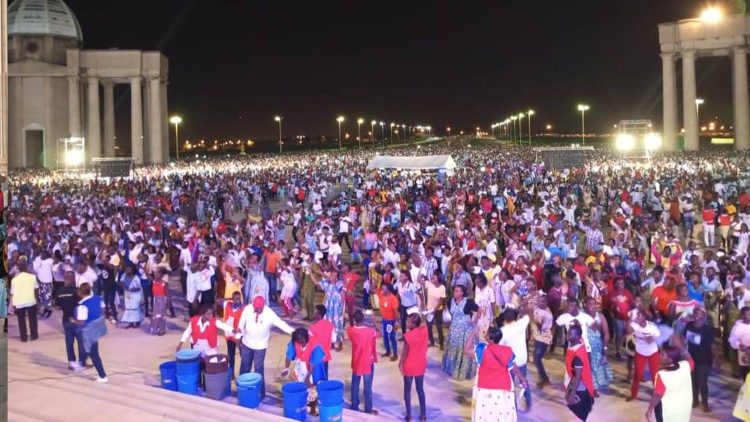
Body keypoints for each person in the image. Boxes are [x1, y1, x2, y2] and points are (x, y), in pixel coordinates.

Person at [235, 295, 294, 399]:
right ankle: (242, 390)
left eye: (260, 309)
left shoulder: (269, 313)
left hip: (260, 346)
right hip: (246, 343)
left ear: (263, 306)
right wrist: (238, 338)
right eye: (256, 308)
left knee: (258, 370)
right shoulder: (247, 309)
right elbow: (240, 325)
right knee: (244, 366)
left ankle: (260, 393)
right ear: (253, 305)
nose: (258, 311)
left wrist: (294, 332)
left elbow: (281, 324)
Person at [470, 326, 529, 422]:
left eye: (487, 335)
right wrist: (523, 380)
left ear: (490, 339)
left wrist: (472, 333)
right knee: (501, 414)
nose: (485, 336)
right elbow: (514, 368)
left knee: (485, 414)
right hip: (503, 387)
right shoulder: (507, 351)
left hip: (485, 386)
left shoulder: (482, 349)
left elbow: (466, 350)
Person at [283, 328, 327, 417]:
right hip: (300, 366)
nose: (301, 344)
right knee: (299, 387)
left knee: (313, 389)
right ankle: (302, 405)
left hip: (314, 369)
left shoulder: (315, 345)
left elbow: (313, 365)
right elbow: (289, 355)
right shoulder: (294, 340)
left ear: (306, 338)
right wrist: (286, 368)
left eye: (303, 342)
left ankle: (313, 409)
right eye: (299, 342)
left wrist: (307, 379)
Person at [645, 345, 694, 422]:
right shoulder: (685, 366)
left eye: (663, 355)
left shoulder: (662, 375)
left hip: (668, 411)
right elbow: (690, 358)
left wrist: (650, 409)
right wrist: (682, 348)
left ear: (670, 359)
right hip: (684, 408)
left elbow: (657, 396)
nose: (659, 356)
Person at [499, 306, 532, 410]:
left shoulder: (502, 331)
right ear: (515, 317)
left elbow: (500, 347)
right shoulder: (521, 324)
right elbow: (528, 314)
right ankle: (528, 399)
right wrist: (523, 310)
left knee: (511, 385)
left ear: (504, 318)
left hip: (511, 363)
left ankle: (513, 406)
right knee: (523, 380)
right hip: (522, 359)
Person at [442, 285, 478, 380]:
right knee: (453, 349)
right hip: (454, 330)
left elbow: (480, 310)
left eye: (457, 291)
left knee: (463, 351)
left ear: (462, 293)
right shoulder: (450, 302)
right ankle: (452, 370)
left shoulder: (468, 302)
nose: (454, 292)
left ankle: (463, 372)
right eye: (454, 290)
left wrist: (474, 321)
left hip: (465, 331)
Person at [347, 310, 379, 415]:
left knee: (355, 383)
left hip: (357, 360)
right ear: (364, 319)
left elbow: (352, 331)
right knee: (367, 385)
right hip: (367, 361)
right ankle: (368, 408)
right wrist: (374, 320)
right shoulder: (370, 332)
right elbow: (380, 333)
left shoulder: (350, 330)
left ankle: (354, 405)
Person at [399, 312, 428, 422]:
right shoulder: (424, 331)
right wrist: (421, 324)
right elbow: (424, 322)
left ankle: (409, 415)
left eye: (408, 322)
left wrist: (400, 363)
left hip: (409, 365)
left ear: (414, 324)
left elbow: (405, 352)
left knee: (407, 390)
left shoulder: (408, 336)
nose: (406, 323)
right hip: (420, 364)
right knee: (420, 390)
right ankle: (423, 416)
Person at [76, 283, 108, 383]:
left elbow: (81, 321)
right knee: (87, 348)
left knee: (94, 353)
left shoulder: (82, 306)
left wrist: (73, 321)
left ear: (81, 293)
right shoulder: (98, 298)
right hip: (98, 326)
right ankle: (81, 363)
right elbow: (103, 310)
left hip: (89, 330)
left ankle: (102, 376)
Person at [627, 308, 662, 402]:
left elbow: (659, 337)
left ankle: (657, 394)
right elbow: (628, 332)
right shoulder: (634, 325)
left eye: (639, 316)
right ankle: (633, 395)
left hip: (653, 353)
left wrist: (652, 338)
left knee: (655, 374)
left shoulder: (652, 326)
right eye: (636, 315)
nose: (637, 317)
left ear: (644, 318)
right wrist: (631, 319)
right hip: (640, 352)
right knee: (638, 374)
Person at [685, 308, 714, 412]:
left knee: (702, 382)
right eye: (696, 314)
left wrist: (716, 358)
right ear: (693, 315)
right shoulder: (689, 326)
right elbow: (685, 339)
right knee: (693, 381)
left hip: (704, 359)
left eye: (700, 314)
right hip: (691, 359)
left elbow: (712, 346)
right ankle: (695, 400)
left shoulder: (707, 330)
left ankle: (705, 403)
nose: (698, 316)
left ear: (704, 316)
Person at [565, 322, 595, 421]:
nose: (567, 335)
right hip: (578, 380)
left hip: (580, 385)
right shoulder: (578, 342)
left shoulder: (577, 356)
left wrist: (572, 394)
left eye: (570, 334)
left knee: (578, 413)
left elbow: (577, 377)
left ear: (578, 336)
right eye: (568, 333)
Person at [583, 297, 613, 393]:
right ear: (585, 305)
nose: (592, 306)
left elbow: (606, 333)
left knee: (597, 366)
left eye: (593, 304)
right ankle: (592, 388)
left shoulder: (600, 316)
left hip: (597, 346)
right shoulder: (582, 316)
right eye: (589, 304)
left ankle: (594, 386)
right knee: (587, 366)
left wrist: (605, 348)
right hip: (585, 345)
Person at [311, 268, 345, 350]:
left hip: (337, 308)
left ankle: (340, 344)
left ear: (337, 277)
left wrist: (343, 311)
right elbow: (315, 282)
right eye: (332, 275)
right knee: (328, 324)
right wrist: (310, 273)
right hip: (328, 307)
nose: (332, 277)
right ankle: (331, 343)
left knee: (338, 325)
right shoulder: (326, 283)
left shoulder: (340, 284)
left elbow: (343, 297)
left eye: (334, 276)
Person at [58, 270, 84, 370]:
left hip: (66, 319)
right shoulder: (77, 290)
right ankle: (81, 363)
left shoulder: (59, 291)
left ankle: (71, 363)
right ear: (72, 278)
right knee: (81, 341)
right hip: (77, 319)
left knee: (69, 342)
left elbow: (59, 305)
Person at [9, 257, 39, 342]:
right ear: (26, 267)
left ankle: (23, 337)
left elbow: (12, 294)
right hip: (31, 301)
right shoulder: (32, 277)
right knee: (32, 319)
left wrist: (13, 305)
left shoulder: (14, 280)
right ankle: (34, 335)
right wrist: (37, 301)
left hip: (19, 302)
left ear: (18, 268)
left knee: (21, 320)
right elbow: (36, 290)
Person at [532, 294, 553, 388]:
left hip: (544, 338)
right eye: (539, 300)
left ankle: (545, 379)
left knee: (537, 359)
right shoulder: (536, 307)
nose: (540, 302)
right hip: (537, 337)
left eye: (542, 301)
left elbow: (542, 328)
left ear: (546, 302)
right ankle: (543, 378)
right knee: (536, 359)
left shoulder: (548, 314)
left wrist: (532, 318)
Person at [421, 273, 446, 349]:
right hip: (429, 310)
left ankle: (441, 344)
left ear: (438, 279)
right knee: (429, 326)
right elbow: (419, 280)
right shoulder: (429, 284)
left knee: (439, 327)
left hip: (438, 310)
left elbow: (441, 300)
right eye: (431, 277)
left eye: (434, 277)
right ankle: (431, 342)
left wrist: (435, 310)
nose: (432, 278)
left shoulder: (442, 287)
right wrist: (421, 268)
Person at [309, 305, 335, 377]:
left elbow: (310, 344)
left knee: (315, 376)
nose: (313, 314)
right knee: (324, 375)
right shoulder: (330, 325)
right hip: (325, 356)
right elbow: (333, 339)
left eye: (315, 313)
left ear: (319, 315)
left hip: (315, 357)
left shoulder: (312, 328)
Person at [376, 283, 400, 361]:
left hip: (391, 321)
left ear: (388, 290)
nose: (382, 290)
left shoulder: (393, 299)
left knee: (391, 337)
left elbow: (396, 312)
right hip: (384, 320)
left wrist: (396, 321)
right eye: (382, 288)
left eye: (384, 288)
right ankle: (388, 351)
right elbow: (373, 289)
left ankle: (395, 354)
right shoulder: (382, 295)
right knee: (385, 336)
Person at [223, 291, 245, 373]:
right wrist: (228, 298)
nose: (238, 301)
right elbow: (218, 301)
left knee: (243, 355)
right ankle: (231, 374)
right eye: (235, 299)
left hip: (240, 335)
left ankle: (242, 373)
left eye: (239, 299)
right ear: (232, 299)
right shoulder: (227, 304)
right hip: (229, 335)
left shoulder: (244, 308)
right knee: (231, 356)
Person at [729, 306, 750, 380]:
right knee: (746, 374)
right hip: (744, 352)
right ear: (742, 316)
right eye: (748, 314)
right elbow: (732, 339)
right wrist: (739, 344)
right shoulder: (738, 327)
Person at [150, 268, 170, 336]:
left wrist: (167, 302)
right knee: (155, 315)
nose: (155, 274)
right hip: (155, 299)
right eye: (155, 272)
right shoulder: (153, 282)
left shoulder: (164, 283)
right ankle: (155, 328)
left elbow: (167, 294)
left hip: (162, 300)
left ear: (161, 275)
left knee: (161, 315)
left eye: (157, 273)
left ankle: (162, 330)